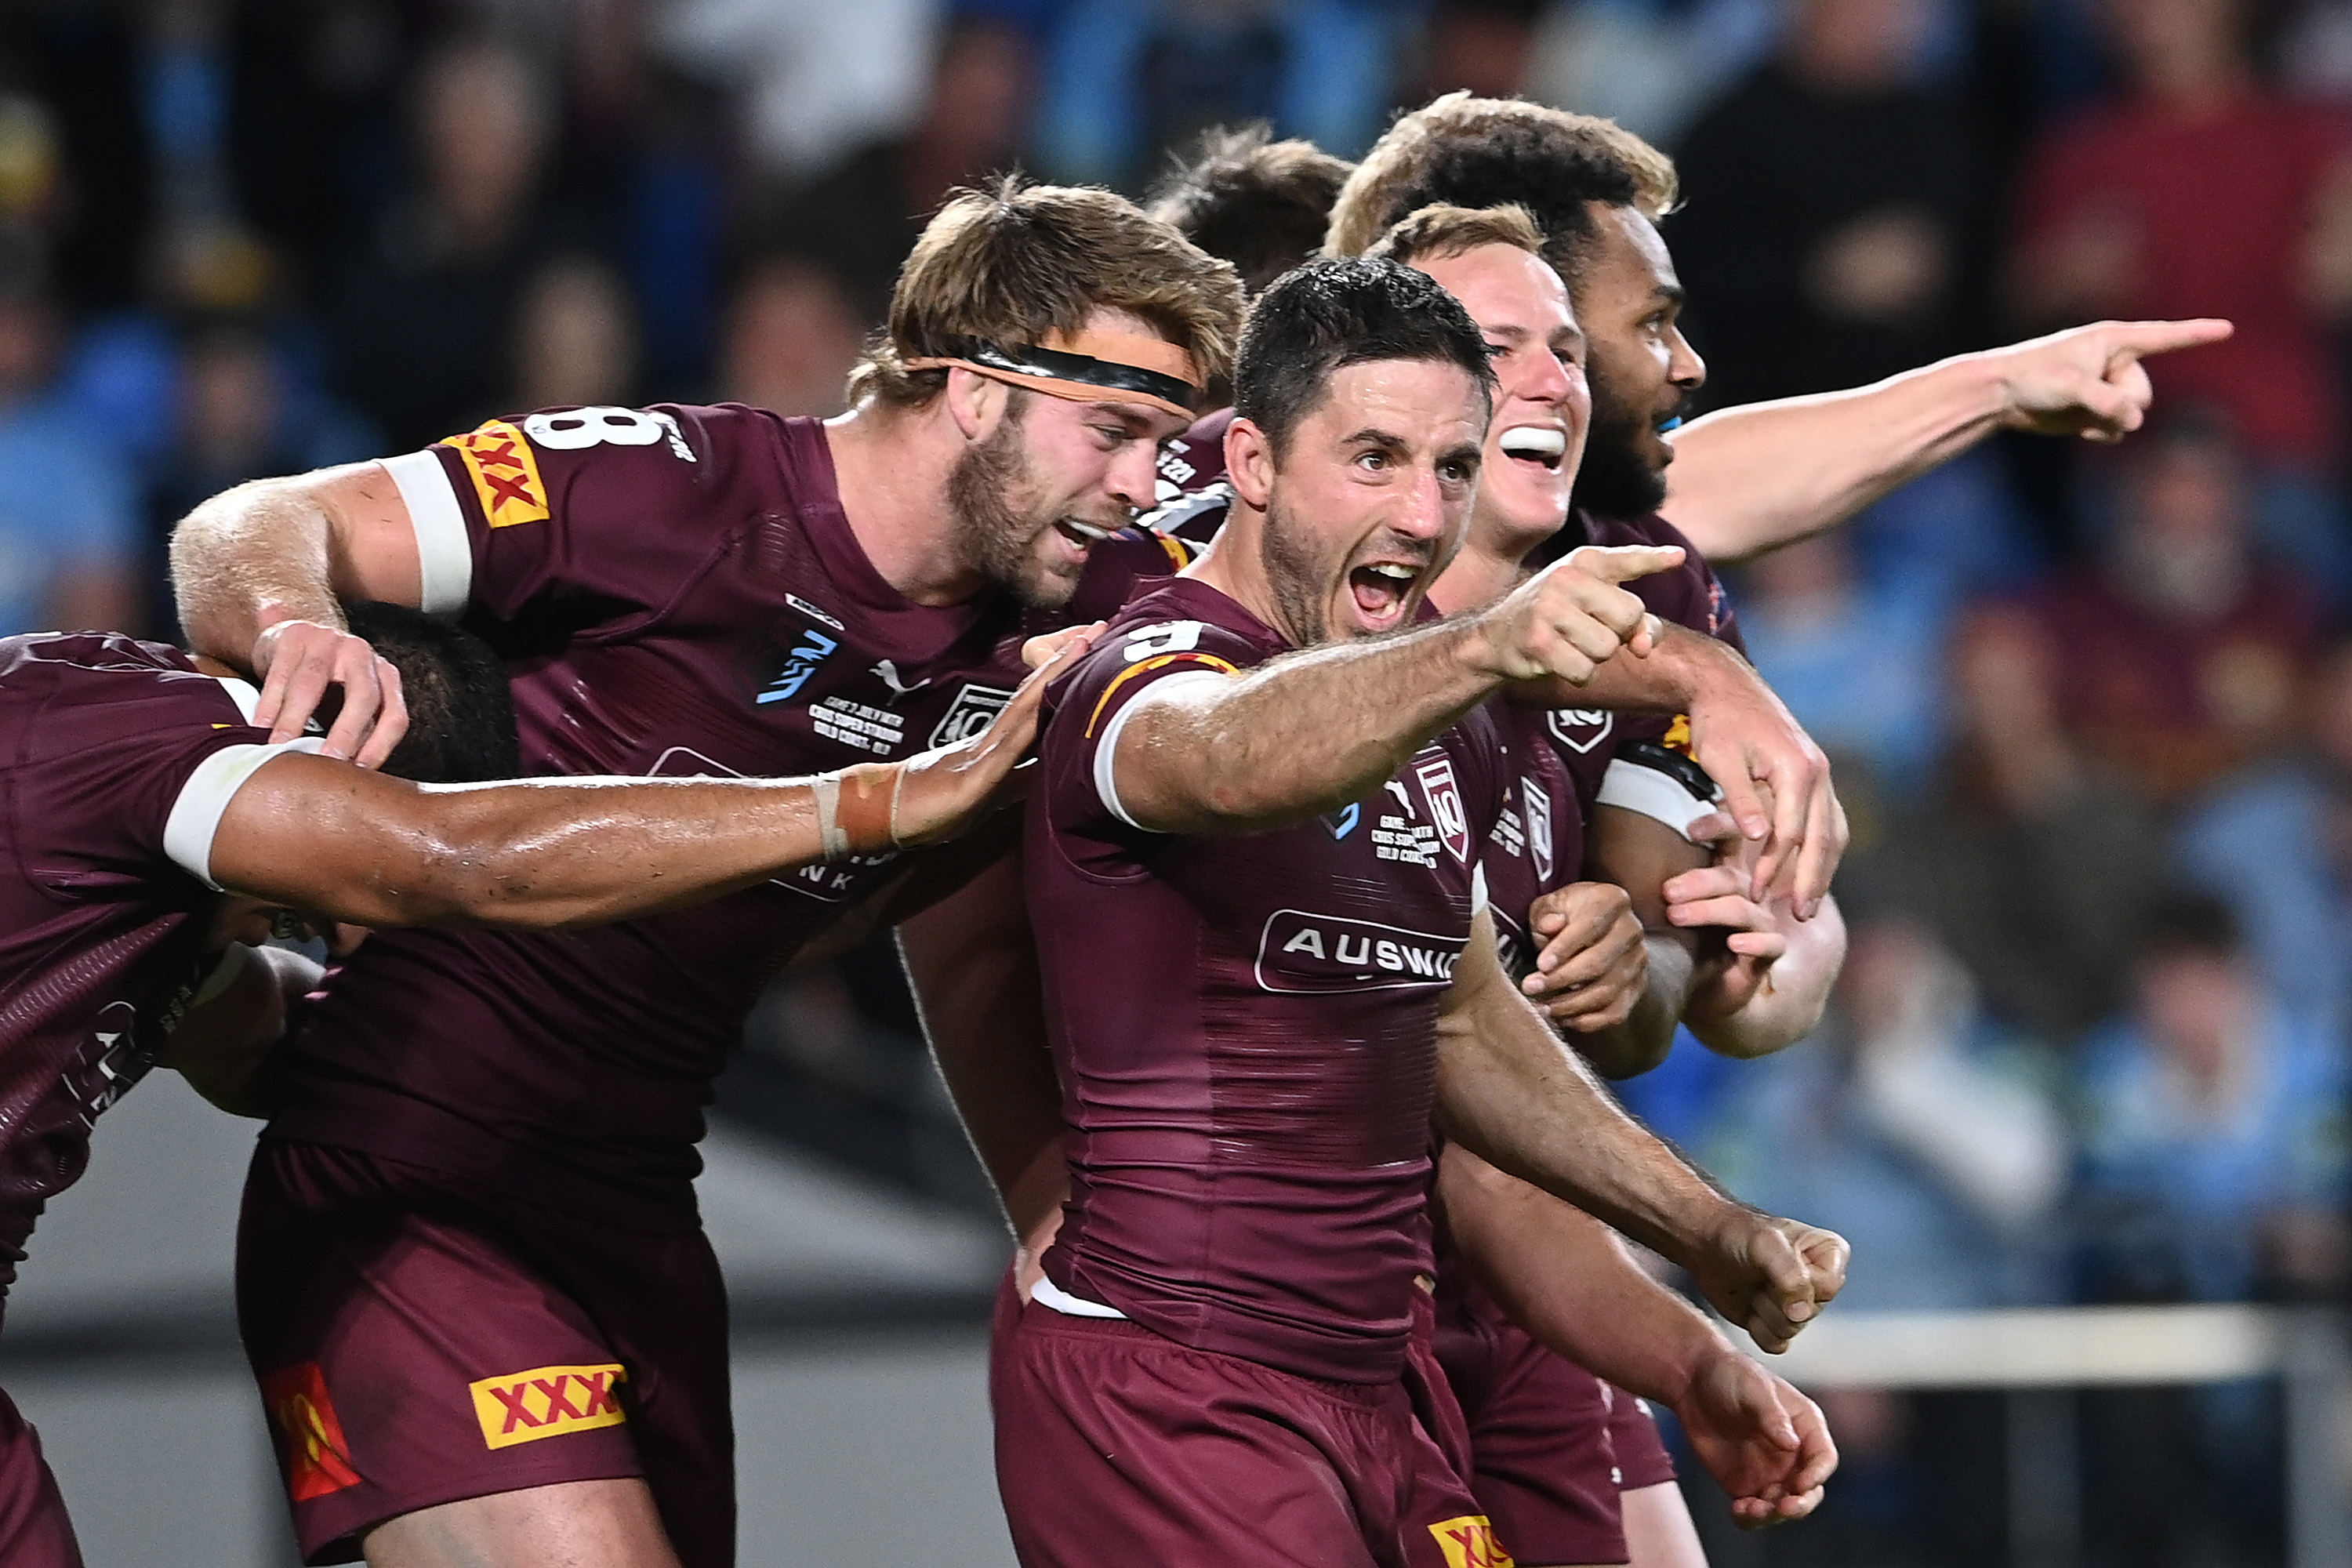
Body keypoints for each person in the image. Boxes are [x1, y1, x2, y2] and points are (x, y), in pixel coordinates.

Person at [167, 180, 1243, 1568]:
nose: (1141, 483)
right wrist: (294, 626)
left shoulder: (1056, 612)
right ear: (977, 389)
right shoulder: (674, 484)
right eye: (1116, 430)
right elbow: (248, 523)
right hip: (416, 1178)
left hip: (642, 1212)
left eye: (1163, 444)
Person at [997, 254, 1846, 1568]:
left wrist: (1708, 1242)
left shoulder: (1425, 731)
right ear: (1255, 465)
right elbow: (1223, 755)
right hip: (1174, 1386)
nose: (1419, 510)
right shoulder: (1145, 670)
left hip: (1380, 1400)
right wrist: (1478, 647)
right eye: (1374, 459)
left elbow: (1468, 1040)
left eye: (1452, 468)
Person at [0, 599, 1075, 1567]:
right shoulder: (174, 743)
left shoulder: (122, 823)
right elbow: (449, 857)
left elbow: (262, 1035)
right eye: (310, 907)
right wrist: (884, 802)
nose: (308, 928)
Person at [1323, 91, 2233, 567]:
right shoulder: (1264, 539)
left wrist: (1997, 386)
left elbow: (1707, 489)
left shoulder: (1574, 542)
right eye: (1649, 325)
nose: (1687, 365)